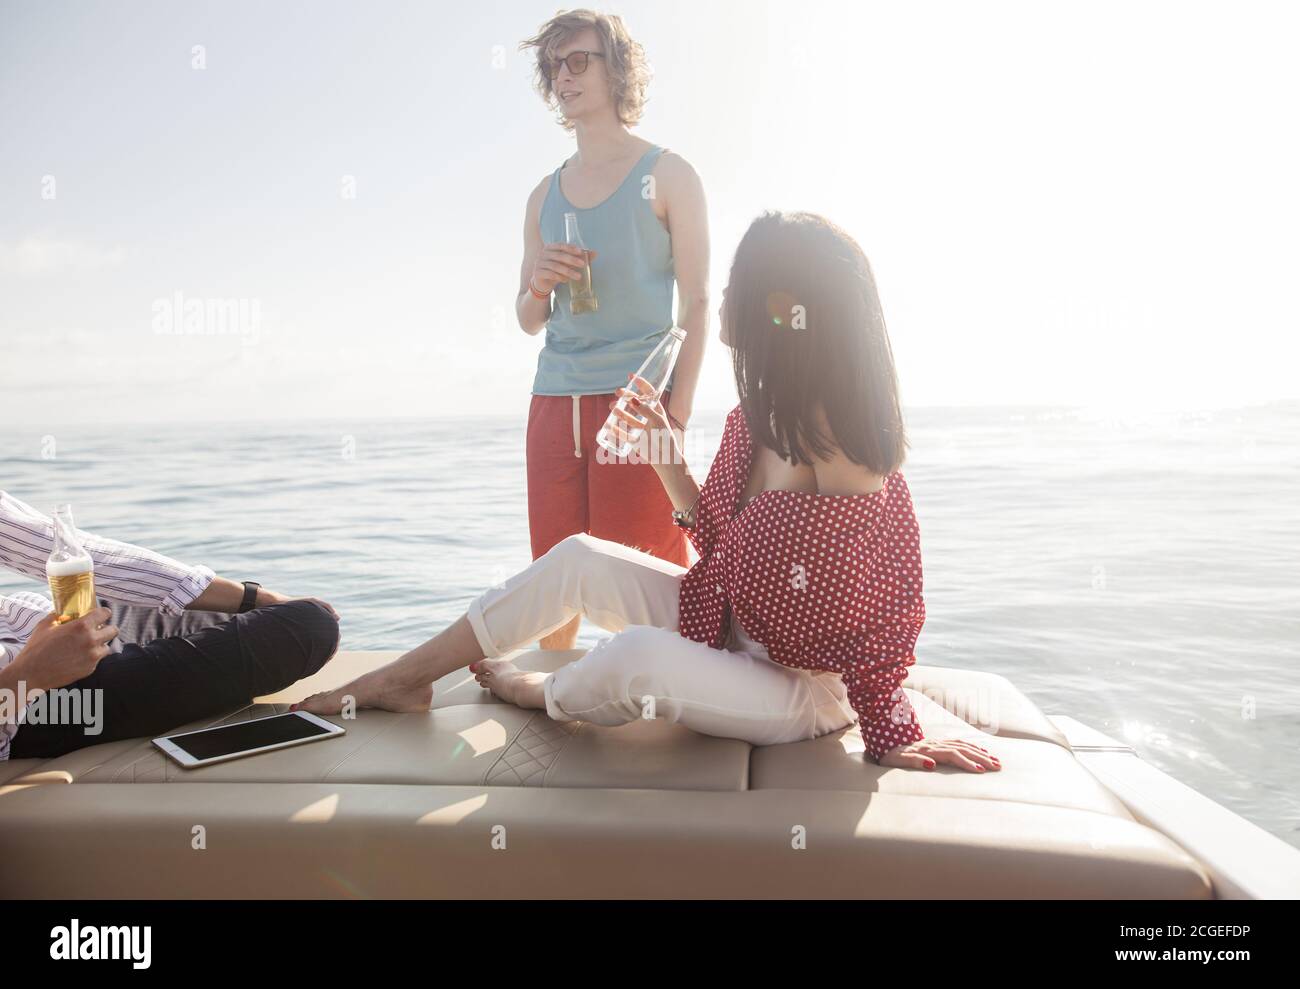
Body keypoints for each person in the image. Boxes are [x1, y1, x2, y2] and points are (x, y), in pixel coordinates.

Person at [296, 211, 1001, 774]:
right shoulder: (756, 415)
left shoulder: (840, 438)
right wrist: (665, 456)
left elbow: (887, 597)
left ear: (784, 310)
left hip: (801, 686)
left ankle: (536, 690)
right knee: (578, 557)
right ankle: (402, 677)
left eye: (738, 285)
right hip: (729, 619)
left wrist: (889, 725)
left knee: (636, 656)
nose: (721, 297)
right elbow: (726, 550)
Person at [515, 9, 710, 650]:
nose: (563, 77)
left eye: (579, 61)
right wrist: (539, 283)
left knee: (645, 580)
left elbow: (699, 301)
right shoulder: (544, 194)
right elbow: (527, 317)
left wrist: (675, 413)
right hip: (554, 401)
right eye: (554, 65)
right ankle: (545, 709)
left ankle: (674, 706)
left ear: (616, 69)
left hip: (636, 404)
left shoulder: (670, 174)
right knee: (553, 580)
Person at [0, 492, 340, 760]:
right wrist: (30, 675)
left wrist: (256, 597)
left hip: (46, 628)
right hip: (42, 706)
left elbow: (56, 544)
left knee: (287, 614)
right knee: (308, 628)